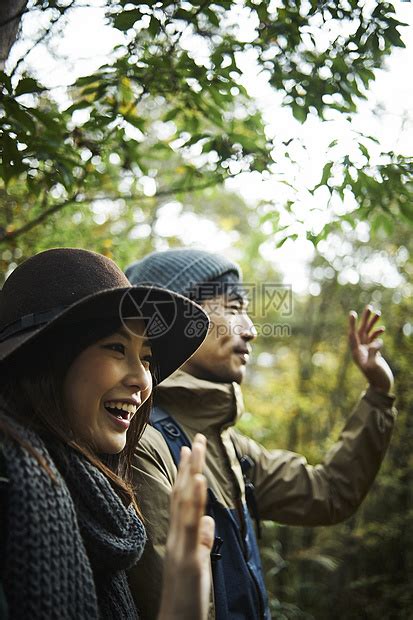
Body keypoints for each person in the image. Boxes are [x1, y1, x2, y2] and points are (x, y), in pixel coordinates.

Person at [125, 248, 396, 620]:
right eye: (234, 309)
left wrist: (379, 396)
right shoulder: (143, 442)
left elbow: (328, 492)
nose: (250, 330)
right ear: (174, 322)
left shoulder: (230, 448)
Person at [0, 247, 215, 620]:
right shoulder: (11, 490)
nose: (142, 379)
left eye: (147, 358)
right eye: (117, 348)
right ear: (48, 360)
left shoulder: (101, 510)